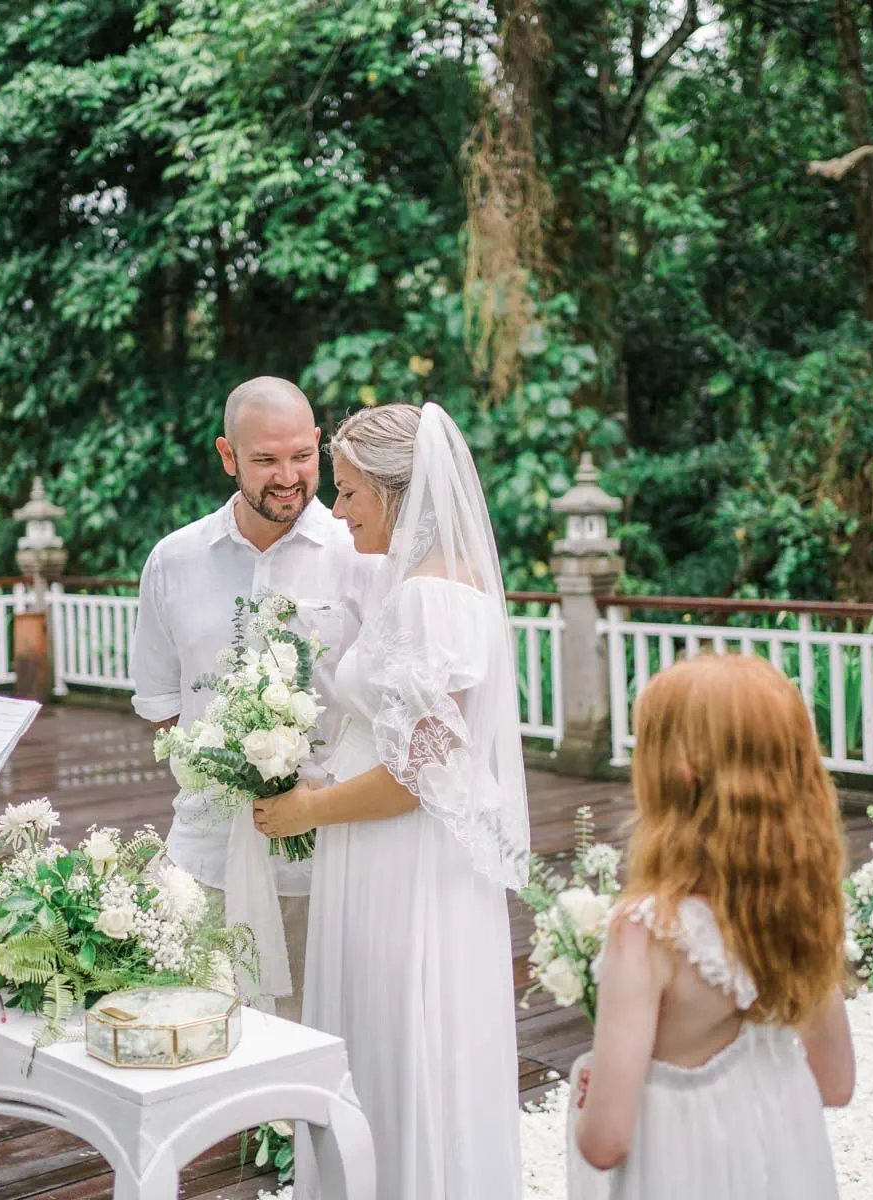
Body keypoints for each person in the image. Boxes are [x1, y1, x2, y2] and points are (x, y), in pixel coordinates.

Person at [253, 402, 525, 1200]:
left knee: (399, 1039)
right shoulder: (444, 587)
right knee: (411, 1041)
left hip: (397, 861)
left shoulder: (428, 601)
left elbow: (417, 778)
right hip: (404, 859)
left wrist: (308, 809)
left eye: (349, 493)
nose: (336, 511)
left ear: (398, 496)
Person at [568, 654, 852, 1199]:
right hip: (783, 1170)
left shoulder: (650, 930)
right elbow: (836, 1086)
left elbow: (605, 1142)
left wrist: (592, 1099)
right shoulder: (805, 910)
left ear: (677, 772)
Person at [129, 376, 371, 1017]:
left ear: (320, 444)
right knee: (195, 1030)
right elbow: (163, 708)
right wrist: (232, 770)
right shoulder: (174, 560)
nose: (288, 476)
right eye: (265, 460)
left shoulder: (361, 553)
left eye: (301, 455)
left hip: (325, 860)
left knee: (317, 1041)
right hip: (204, 852)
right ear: (228, 456)